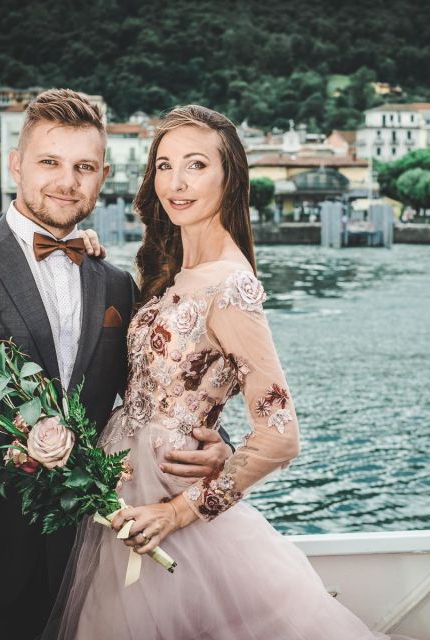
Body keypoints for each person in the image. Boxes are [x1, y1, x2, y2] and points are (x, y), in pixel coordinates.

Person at [0, 90, 233, 640]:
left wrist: (218, 442)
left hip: (87, 555)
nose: (67, 182)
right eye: (49, 162)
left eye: (84, 167)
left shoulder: (114, 281)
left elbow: (153, 388)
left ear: (103, 176)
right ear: (16, 163)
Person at [43, 106, 386, 639]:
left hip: (167, 501)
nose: (175, 183)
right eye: (164, 165)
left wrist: (179, 512)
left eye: (196, 165)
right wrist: (86, 256)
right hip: (124, 482)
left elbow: (280, 436)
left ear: (230, 178)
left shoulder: (231, 286)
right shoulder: (177, 271)